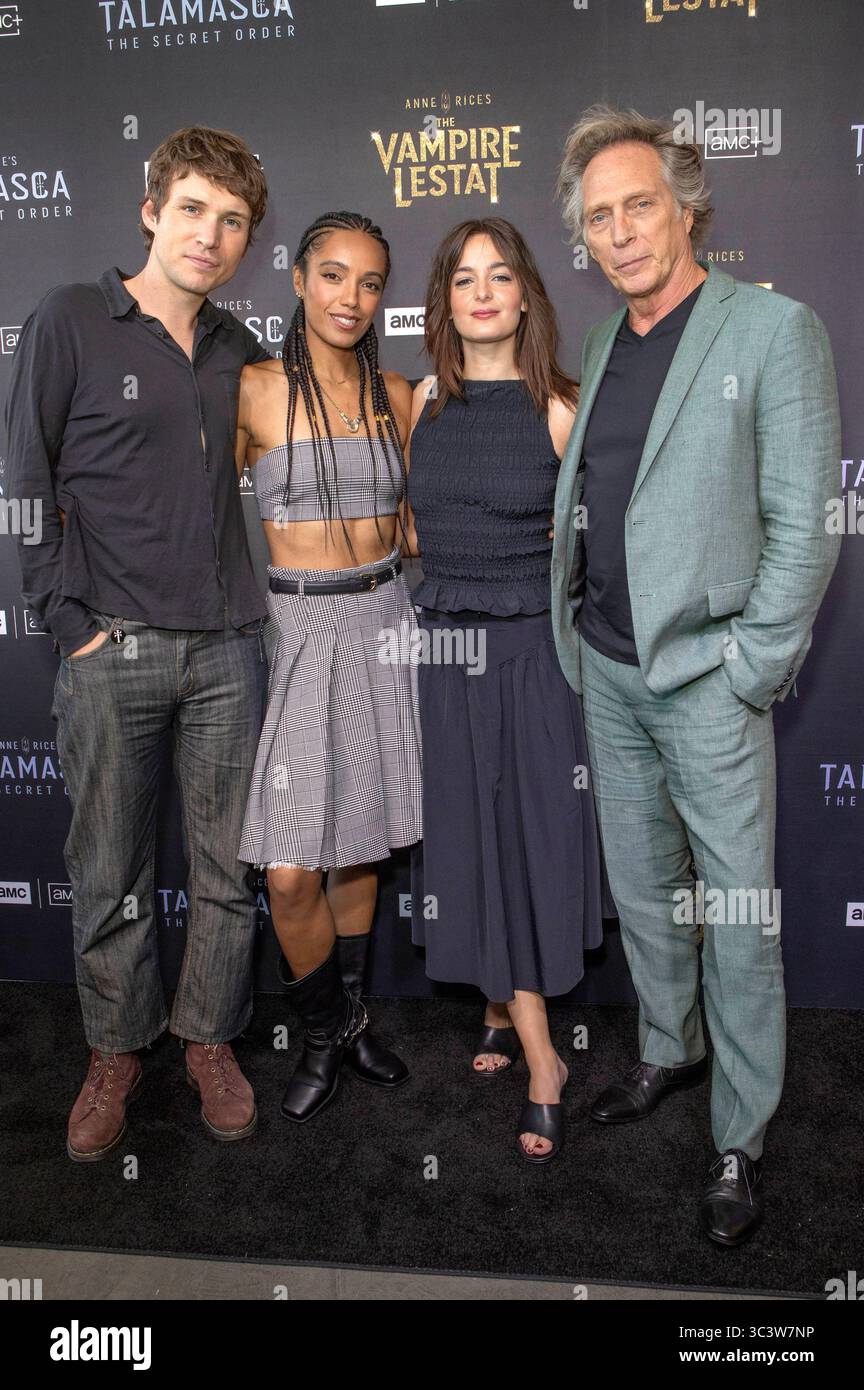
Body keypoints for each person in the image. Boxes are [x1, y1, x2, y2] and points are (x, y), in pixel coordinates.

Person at [552, 105, 841, 1241]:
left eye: (637, 207)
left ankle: (740, 1132)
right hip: (610, 670)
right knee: (645, 895)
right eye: (599, 219)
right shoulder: (602, 340)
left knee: (736, 911)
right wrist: (577, 624)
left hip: (709, 683)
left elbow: (804, 524)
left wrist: (749, 666)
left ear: (685, 206)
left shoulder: (773, 330)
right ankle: (669, 1053)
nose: (620, 233)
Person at [5, 126, 272, 1160]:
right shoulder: (73, 318)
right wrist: (67, 624)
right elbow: (27, 485)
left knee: (223, 869)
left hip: (227, 652)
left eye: (234, 221)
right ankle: (117, 1048)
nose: (211, 235)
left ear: (249, 239)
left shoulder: (235, 348)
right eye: (195, 209)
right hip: (109, 649)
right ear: (153, 209)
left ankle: (206, 1038)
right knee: (110, 864)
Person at [406, 217, 604, 1163]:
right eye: (463, 278)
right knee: (468, 840)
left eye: (500, 276)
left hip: (531, 660)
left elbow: (595, 552)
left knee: (522, 843)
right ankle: (497, 1002)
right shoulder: (419, 407)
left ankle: (542, 1056)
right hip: (443, 655)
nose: (482, 292)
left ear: (526, 294)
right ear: (444, 300)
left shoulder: (562, 408)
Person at [236, 211, 422, 1123]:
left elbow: (420, 528)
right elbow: (181, 499)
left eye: (371, 282)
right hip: (297, 633)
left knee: (359, 844)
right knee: (288, 871)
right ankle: (316, 1030)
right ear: (301, 280)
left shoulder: (399, 394)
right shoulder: (254, 390)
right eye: (333, 276)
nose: (352, 297)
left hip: (383, 621)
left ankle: (349, 1023)